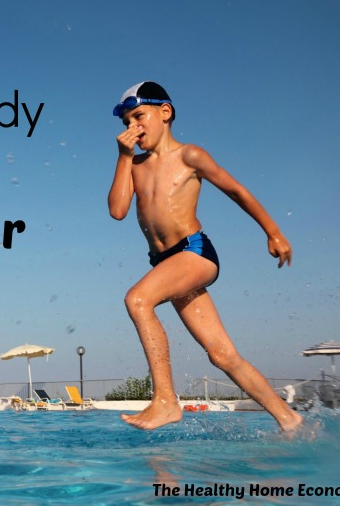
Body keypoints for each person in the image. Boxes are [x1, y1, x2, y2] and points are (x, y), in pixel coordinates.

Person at [108, 81, 303, 432]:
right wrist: (123, 158)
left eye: (138, 116)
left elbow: (235, 189)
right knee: (223, 356)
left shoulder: (189, 156)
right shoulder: (134, 165)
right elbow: (118, 210)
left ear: (164, 113)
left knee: (137, 299)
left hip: (193, 252)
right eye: (126, 123)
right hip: (165, 263)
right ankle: (290, 421)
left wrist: (272, 231)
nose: (132, 128)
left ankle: (166, 400)